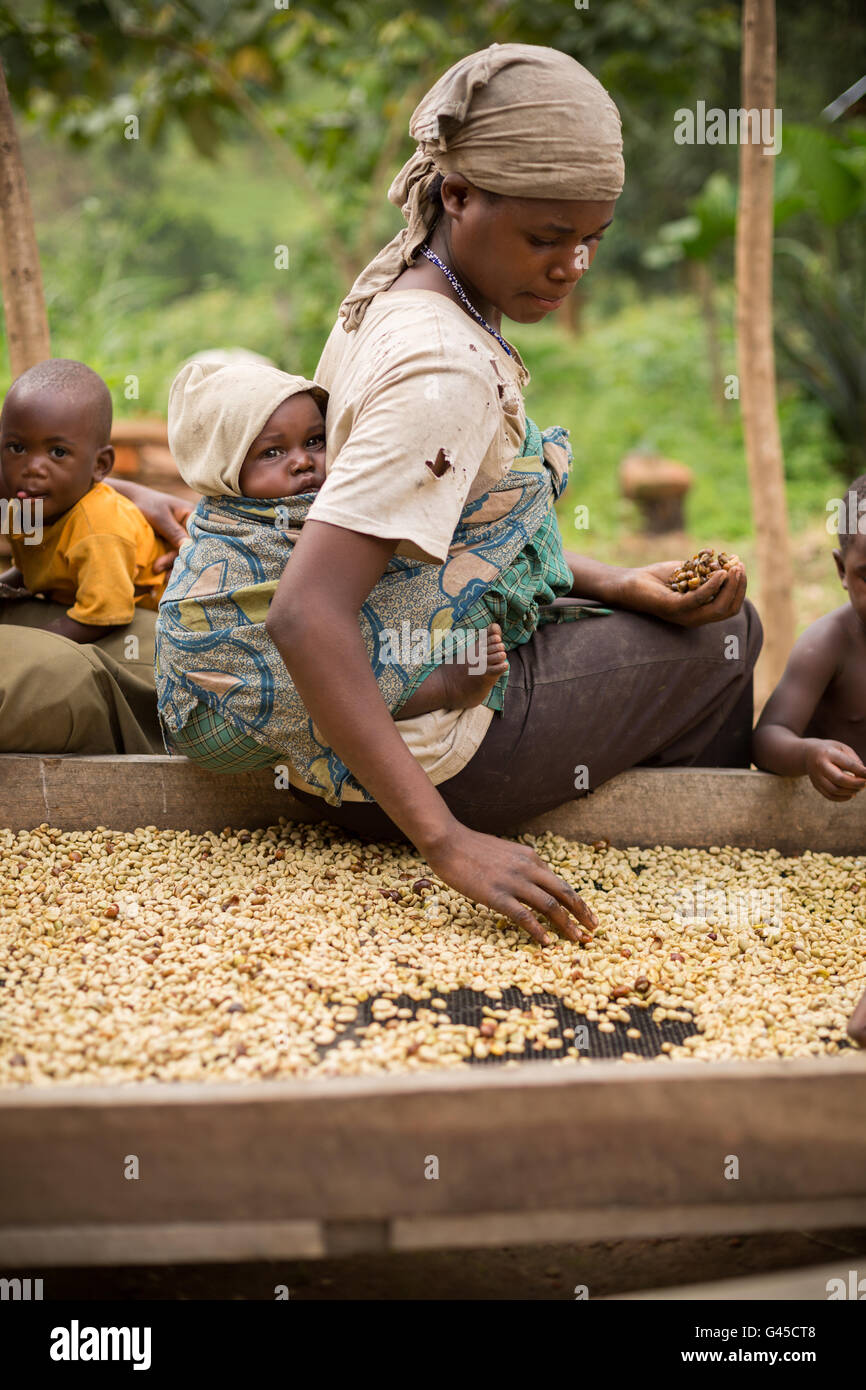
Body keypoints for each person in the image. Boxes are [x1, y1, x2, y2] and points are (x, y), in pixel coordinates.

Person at [257, 42, 762, 945]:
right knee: (728, 636)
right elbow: (304, 615)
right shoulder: (442, 367)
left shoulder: (406, 284)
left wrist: (612, 585)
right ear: (457, 195)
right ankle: (703, 875)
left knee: (677, 617)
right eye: (546, 238)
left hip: (387, 708)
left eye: (590, 241)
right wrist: (449, 843)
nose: (572, 266)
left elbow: (445, 537)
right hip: (422, 759)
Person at [156, 358, 608, 770]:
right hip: (218, 713)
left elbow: (409, 560)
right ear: (223, 470)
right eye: (272, 452)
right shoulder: (230, 533)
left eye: (315, 441)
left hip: (228, 704)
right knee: (327, 666)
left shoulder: (330, 503)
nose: (301, 462)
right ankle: (442, 687)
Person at [0, 359, 170, 643]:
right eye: (17, 448)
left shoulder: (99, 527)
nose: (32, 467)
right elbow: (37, 566)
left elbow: (103, 617)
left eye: (57, 452)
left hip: (147, 617)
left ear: (100, 465)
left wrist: (28, 642)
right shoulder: (26, 506)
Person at [752, 472, 866, 801]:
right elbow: (766, 739)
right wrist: (810, 755)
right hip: (824, 822)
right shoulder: (829, 644)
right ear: (842, 569)